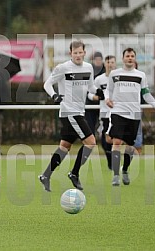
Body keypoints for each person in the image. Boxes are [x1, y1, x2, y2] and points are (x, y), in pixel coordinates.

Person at [38, 40, 104, 191]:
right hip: (70, 112)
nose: (78, 55)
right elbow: (47, 84)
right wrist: (54, 96)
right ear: (70, 54)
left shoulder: (88, 67)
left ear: (84, 53)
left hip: (79, 111)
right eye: (75, 53)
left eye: (81, 52)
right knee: (91, 142)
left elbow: (90, 86)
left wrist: (98, 92)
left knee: (64, 147)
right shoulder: (63, 68)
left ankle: (45, 175)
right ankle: (74, 173)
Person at [105, 47, 155, 186]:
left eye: (132, 56)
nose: (130, 58)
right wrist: (107, 99)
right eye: (127, 56)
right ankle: (116, 175)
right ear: (123, 58)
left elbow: (146, 94)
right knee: (117, 142)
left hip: (134, 114)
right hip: (118, 112)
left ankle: (125, 169)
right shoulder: (114, 74)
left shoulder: (140, 75)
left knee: (130, 146)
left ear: (134, 59)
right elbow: (108, 90)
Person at [94, 55, 117, 170]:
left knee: (117, 139)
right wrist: (95, 97)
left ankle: (116, 163)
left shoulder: (119, 77)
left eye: (112, 62)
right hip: (104, 113)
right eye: (108, 62)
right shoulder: (99, 80)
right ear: (104, 64)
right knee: (105, 140)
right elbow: (90, 92)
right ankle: (110, 162)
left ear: (115, 64)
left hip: (118, 112)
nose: (110, 64)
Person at [85, 51, 106, 135]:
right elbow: (86, 88)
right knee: (90, 127)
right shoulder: (89, 71)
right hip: (91, 104)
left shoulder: (106, 71)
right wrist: (93, 97)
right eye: (96, 59)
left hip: (104, 104)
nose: (98, 61)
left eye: (99, 59)